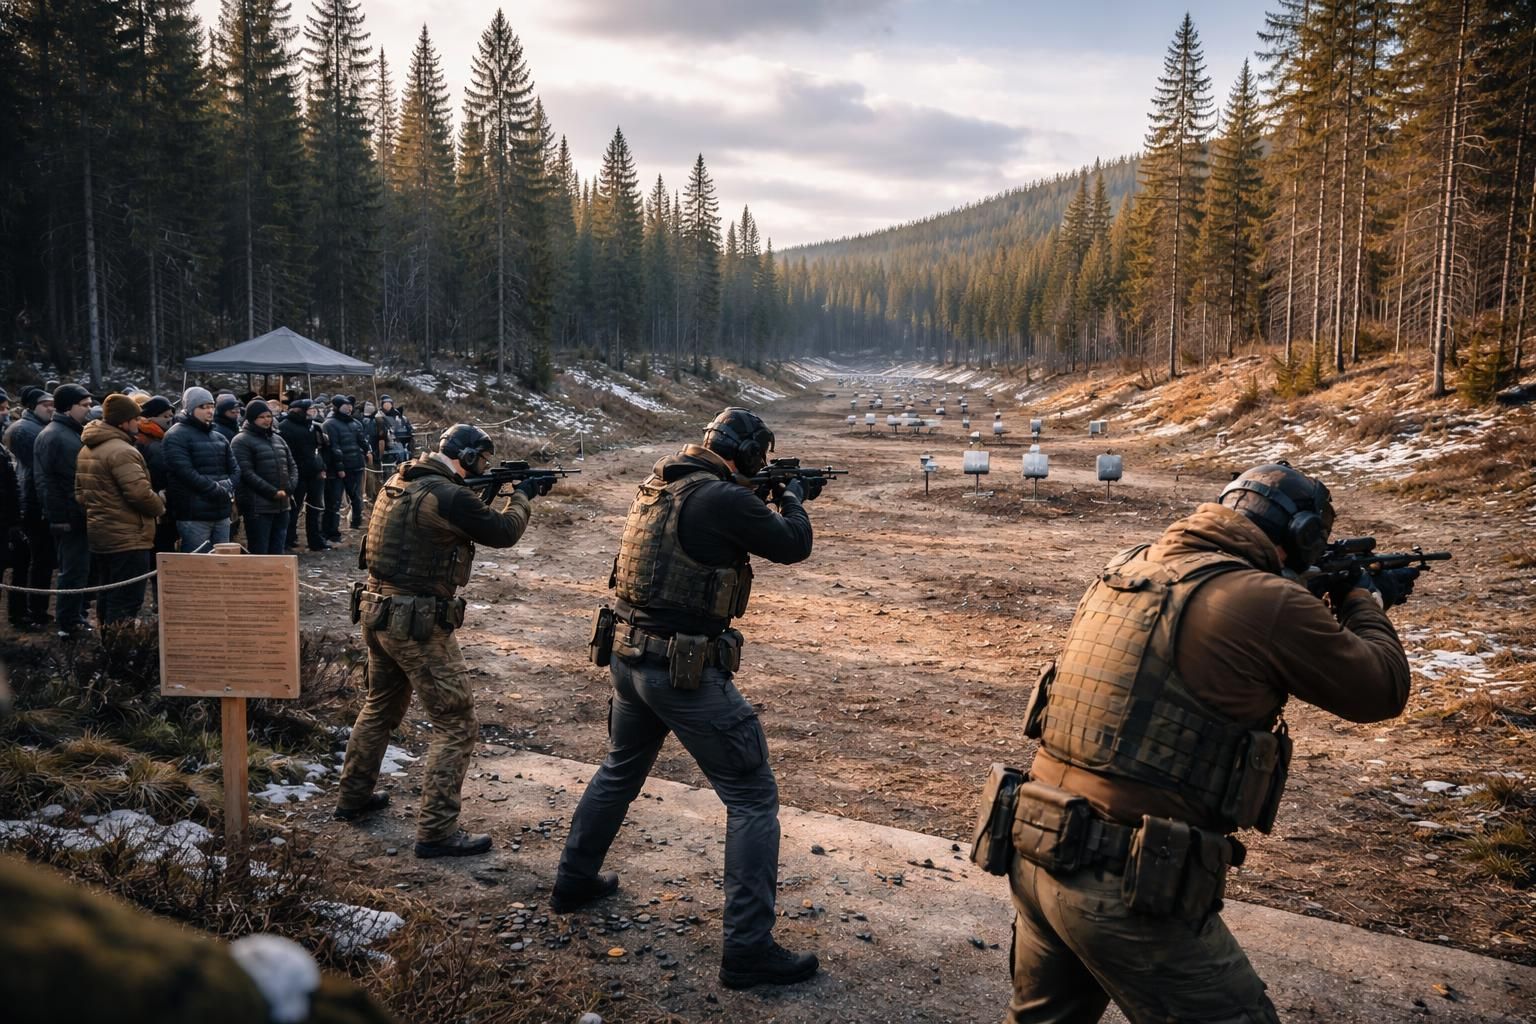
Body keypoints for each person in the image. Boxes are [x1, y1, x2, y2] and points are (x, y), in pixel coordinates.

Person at [998, 463, 1412, 1024]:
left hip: (1038, 840)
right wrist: (1364, 601)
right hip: (1124, 880)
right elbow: (1380, 690)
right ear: (1304, 534)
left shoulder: (1132, 564)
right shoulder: (1268, 600)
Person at [553, 407, 821, 990]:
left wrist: (763, 491)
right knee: (752, 797)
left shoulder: (662, 482)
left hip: (629, 658)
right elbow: (793, 545)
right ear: (748, 455)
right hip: (684, 672)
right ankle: (748, 950)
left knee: (621, 768)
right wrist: (793, 498)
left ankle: (573, 881)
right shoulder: (724, 499)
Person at [334, 424, 549, 858]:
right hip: (415, 623)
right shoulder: (448, 495)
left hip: (377, 611)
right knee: (456, 722)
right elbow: (504, 532)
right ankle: (436, 830)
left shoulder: (401, 480)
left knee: (379, 706)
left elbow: (446, 526)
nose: (484, 466)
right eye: (482, 460)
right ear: (467, 457)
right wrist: (522, 495)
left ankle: (352, 797)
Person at [74, 394, 165, 625]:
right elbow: (139, 493)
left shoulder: (87, 448)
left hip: (101, 532)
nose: (139, 423)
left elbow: (80, 493)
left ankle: (108, 643)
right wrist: (159, 506)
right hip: (128, 536)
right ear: (123, 422)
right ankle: (120, 651)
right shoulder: (122, 451)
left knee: (107, 592)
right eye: (135, 419)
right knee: (127, 598)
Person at [33, 384, 94, 635]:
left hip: (76, 513)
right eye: (85, 405)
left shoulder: (68, 432)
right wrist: (60, 518)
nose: (89, 410)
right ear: (69, 406)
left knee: (79, 568)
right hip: (69, 516)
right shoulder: (56, 435)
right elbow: (48, 483)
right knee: (72, 570)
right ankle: (69, 622)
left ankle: (75, 615)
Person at [163, 387, 240, 552]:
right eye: (203, 407)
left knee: (224, 562)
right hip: (194, 513)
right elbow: (184, 472)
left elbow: (235, 468)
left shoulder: (218, 436)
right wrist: (215, 488)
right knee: (197, 566)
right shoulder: (175, 435)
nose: (209, 411)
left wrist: (228, 485)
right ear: (190, 409)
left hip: (221, 512)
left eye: (211, 406)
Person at [3, 387, 55, 630]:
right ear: (34, 406)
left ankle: (33, 609)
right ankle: (27, 611)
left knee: (36, 561)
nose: (51, 408)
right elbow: (38, 470)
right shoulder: (25, 430)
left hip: (30, 501)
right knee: (31, 561)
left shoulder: (34, 428)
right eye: (46, 404)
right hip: (31, 504)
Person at [230, 400, 298, 555]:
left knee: (278, 549)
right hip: (258, 506)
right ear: (252, 418)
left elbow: (292, 465)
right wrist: (272, 492)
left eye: (269, 416)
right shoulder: (241, 441)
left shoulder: (278, 439)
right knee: (260, 550)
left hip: (282, 504)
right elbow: (246, 472)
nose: (267, 420)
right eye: (262, 417)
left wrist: (289, 487)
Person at [278, 400, 329, 551]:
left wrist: (322, 466)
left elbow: (319, 449)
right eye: (310, 409)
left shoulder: (314, 426)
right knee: (294, 509)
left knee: (315, 508)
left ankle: (315, 540)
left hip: (315, 473)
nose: (313, 411)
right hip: (296, 474)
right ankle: (288, 539)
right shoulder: (285, 427)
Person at [134, 395, 179, 557]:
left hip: (164, 499)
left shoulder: (162, 438)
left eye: (171, 415)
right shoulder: (145, 440)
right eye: (165, 416)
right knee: (161, 547)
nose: (170, 419)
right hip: (156, 500)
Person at [322, 396, 369, 541]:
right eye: (345, 405)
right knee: (334, 501)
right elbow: (334, 448)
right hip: (337, 470)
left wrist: (368, 451)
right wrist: (340, 468)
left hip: (356, 465)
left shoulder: (355, 423)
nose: (349, 408)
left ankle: (356, 523)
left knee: (356, 497)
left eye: (350, 405)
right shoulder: (329, 424)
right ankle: (331, 532)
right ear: (337, 407)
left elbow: (362, 441)